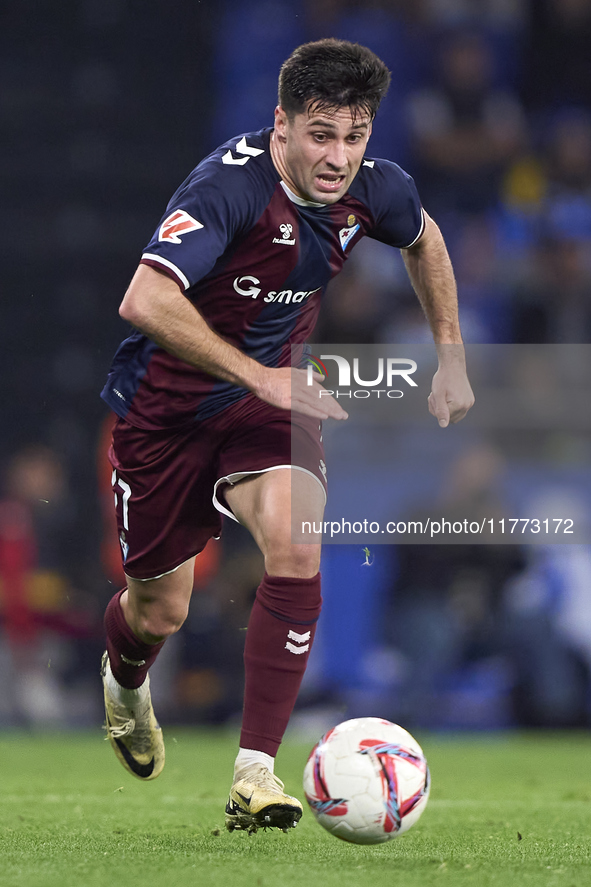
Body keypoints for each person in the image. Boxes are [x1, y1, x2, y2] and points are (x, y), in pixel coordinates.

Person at [99, 38, 474, 835]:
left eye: (355, 135)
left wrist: (450, 355)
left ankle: (253, 773)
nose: (339, 157)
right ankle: (126, 683)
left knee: (298, 544)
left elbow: (426, 240)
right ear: (281, 124)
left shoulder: (376, 189)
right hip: (165, 416)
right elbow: (142, 299)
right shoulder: (227, 188)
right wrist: (257, 372)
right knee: (157, 612)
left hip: (272, 399)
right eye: (321, 134)